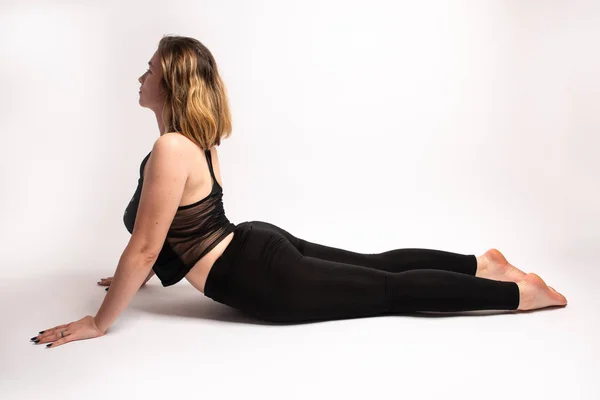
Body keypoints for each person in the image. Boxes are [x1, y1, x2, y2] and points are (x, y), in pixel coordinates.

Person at [31, 35, 567, 349]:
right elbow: (171, 232)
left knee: (387, 291)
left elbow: (148, 244)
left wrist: (100, 322)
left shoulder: (173, 147)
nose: (140, 76)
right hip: (255, 247)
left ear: (169, 83)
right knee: (377, 267)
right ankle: (481, 263)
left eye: (148, 70)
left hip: (260, 274)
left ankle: (519, 294)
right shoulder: (194, 140)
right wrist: (135, 276)